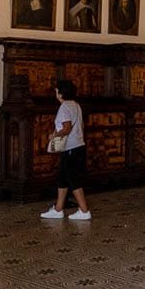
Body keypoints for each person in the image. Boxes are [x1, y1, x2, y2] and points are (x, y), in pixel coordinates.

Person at [42, 79, 92, 220]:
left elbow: (66, 128)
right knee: (63, 179)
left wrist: (54, 135)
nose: (55, 92)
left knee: (73, 180)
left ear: (61, 92)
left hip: (70, 148)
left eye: (57, 90)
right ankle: (58, 209)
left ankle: (84, 210)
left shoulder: (64, 107)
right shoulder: (75, 105)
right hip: (78, 146)